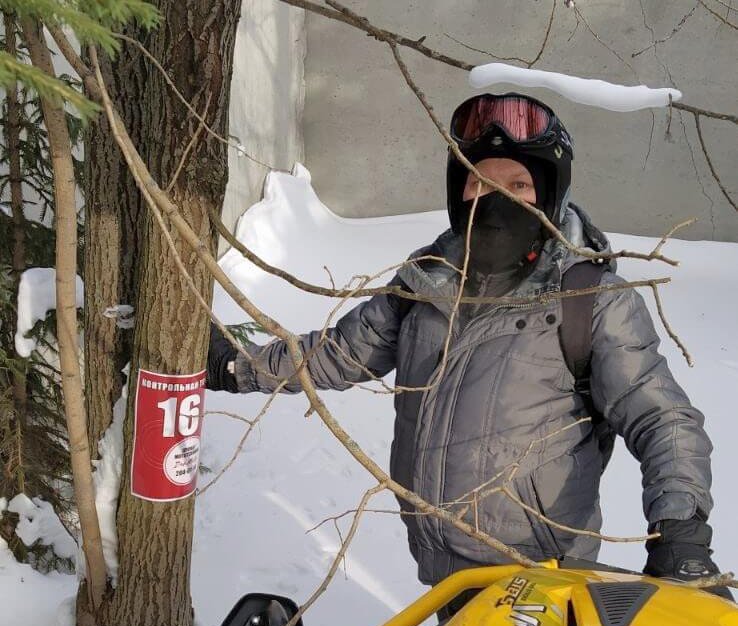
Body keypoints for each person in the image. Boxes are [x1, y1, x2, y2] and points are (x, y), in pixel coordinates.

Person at [207, 92, 729, 598]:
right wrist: (236, 366)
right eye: (480, 181)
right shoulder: (426, 281)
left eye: (518, 184)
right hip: (442, 571)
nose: (496, 199)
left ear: (549, 196)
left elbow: (662, 419)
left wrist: (680, 532)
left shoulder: (588, 299)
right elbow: (340, 354)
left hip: (542, 579)